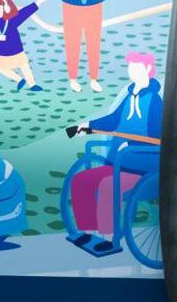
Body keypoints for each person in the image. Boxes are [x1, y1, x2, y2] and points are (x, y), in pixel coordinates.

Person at [65, 51, 165, 256]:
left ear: (147, 70)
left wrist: (129, 143)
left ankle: (110, 238)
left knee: (108, 186)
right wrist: (86, 126)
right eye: (131, 67)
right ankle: (87, 230)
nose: (132, 71)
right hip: (117, 162)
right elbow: (113, 120)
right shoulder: (129, 95)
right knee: (81, 180)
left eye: (136, 67)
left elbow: (157, 135)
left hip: (141, 164)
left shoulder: (154, 101)